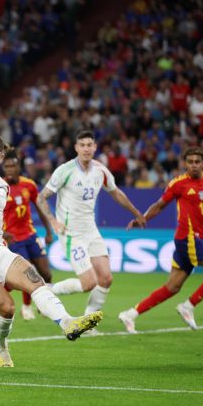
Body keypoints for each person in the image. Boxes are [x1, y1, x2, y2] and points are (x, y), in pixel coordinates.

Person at [0, 133, 103, 368]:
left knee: (36, 280)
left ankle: (68, 322)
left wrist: (2, 235)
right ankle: (2, 348)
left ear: (2, 157)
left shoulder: (2, 186)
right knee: (7, 307)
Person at [36, 130, 146, 328]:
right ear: (76, 148)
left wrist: (136, 212)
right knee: (88, 283)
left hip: (91, 231)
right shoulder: (65, 170)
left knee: (105, 278)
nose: (86, 149)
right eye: (82, 145)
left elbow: (116, 193)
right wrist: (53, 221)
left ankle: (88, 324)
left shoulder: (100, 171)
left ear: (95, 147)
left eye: (90, 145)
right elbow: (41, 197)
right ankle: (48, 290)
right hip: (70, 233)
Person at [118, 147, 203, 333]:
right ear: (185, 164)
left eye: (198, 161)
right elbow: (159, 205)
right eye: (190, 162)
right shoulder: (178, 184)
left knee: (172, 287)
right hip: (187, 239)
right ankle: (188, 306)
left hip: (190, 241)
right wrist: (143, 219)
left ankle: (130, 314)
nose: (194, 165)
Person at [2, 148, 61, 320]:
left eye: (13, 166)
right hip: (13, 239)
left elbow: (41, 208)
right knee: (29, 272)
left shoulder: (29, 185)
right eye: (7, 167)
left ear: (18, 167)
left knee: (46, 273)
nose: (10, 169)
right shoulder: (0, 187)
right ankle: (27, 307)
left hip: (30, 235)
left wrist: (48, 231)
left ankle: (45, 304)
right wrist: (2, 232)